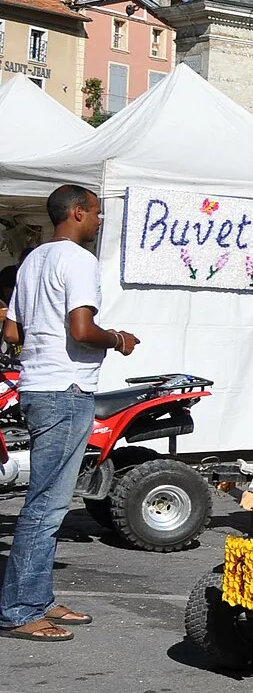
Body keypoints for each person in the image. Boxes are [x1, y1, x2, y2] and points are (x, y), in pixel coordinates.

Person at [1, 186, 138, 641]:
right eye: (96, 213)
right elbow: (81, 330)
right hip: (66, 388)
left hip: (39, 385)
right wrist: (117, 338)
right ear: (78, 213)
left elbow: (12, 329)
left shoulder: (33, 260)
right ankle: (20, 609)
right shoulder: (79, 261)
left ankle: (37, 598)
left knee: (48, 503)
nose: (99, 221)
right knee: (47, 505)